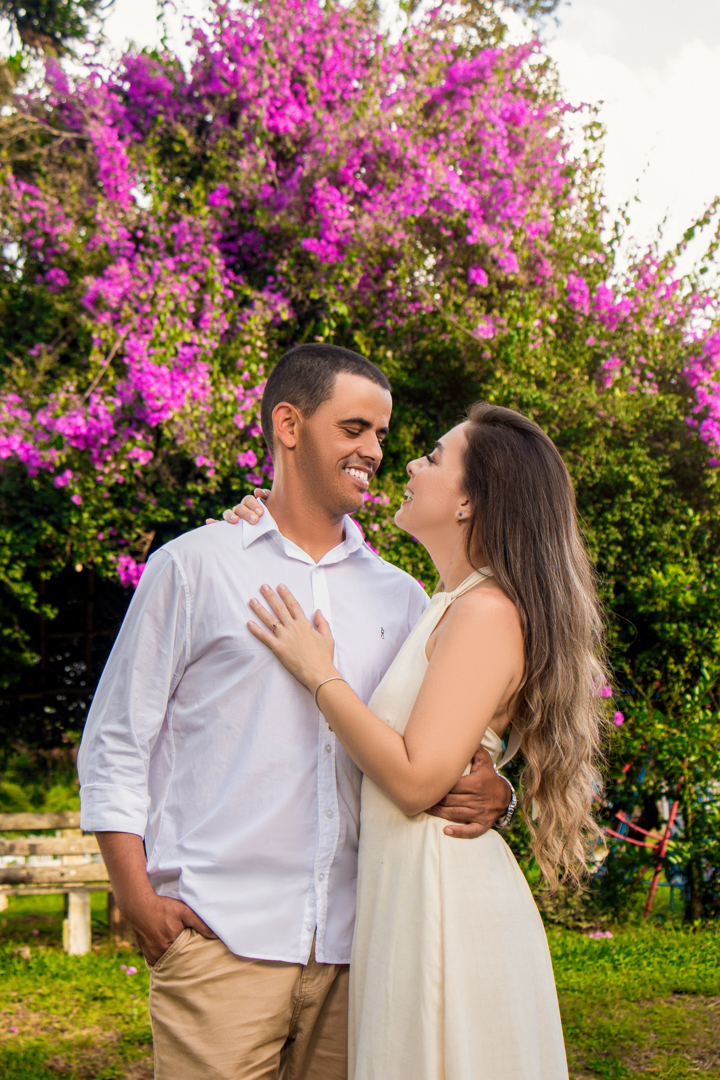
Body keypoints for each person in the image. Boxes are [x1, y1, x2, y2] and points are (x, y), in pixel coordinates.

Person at [77, 344, 512, 1080]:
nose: (374, 450)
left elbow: (428, 742)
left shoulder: (404, 598)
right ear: (289, 424)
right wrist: (137, 897)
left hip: (362, 950)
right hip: (219, 945)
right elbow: (116, 741)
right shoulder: (196, 566)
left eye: (381, 433)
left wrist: (496, 789)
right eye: (354, 429)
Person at [232, 402, 608, 1080]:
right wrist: (261, 521)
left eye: (433, 457)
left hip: (443, 901)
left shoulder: (487, 611)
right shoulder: (444, 603)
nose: (406, 462)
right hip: (408, 889)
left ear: (470, 502)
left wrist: (320, 673)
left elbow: (414, 781)